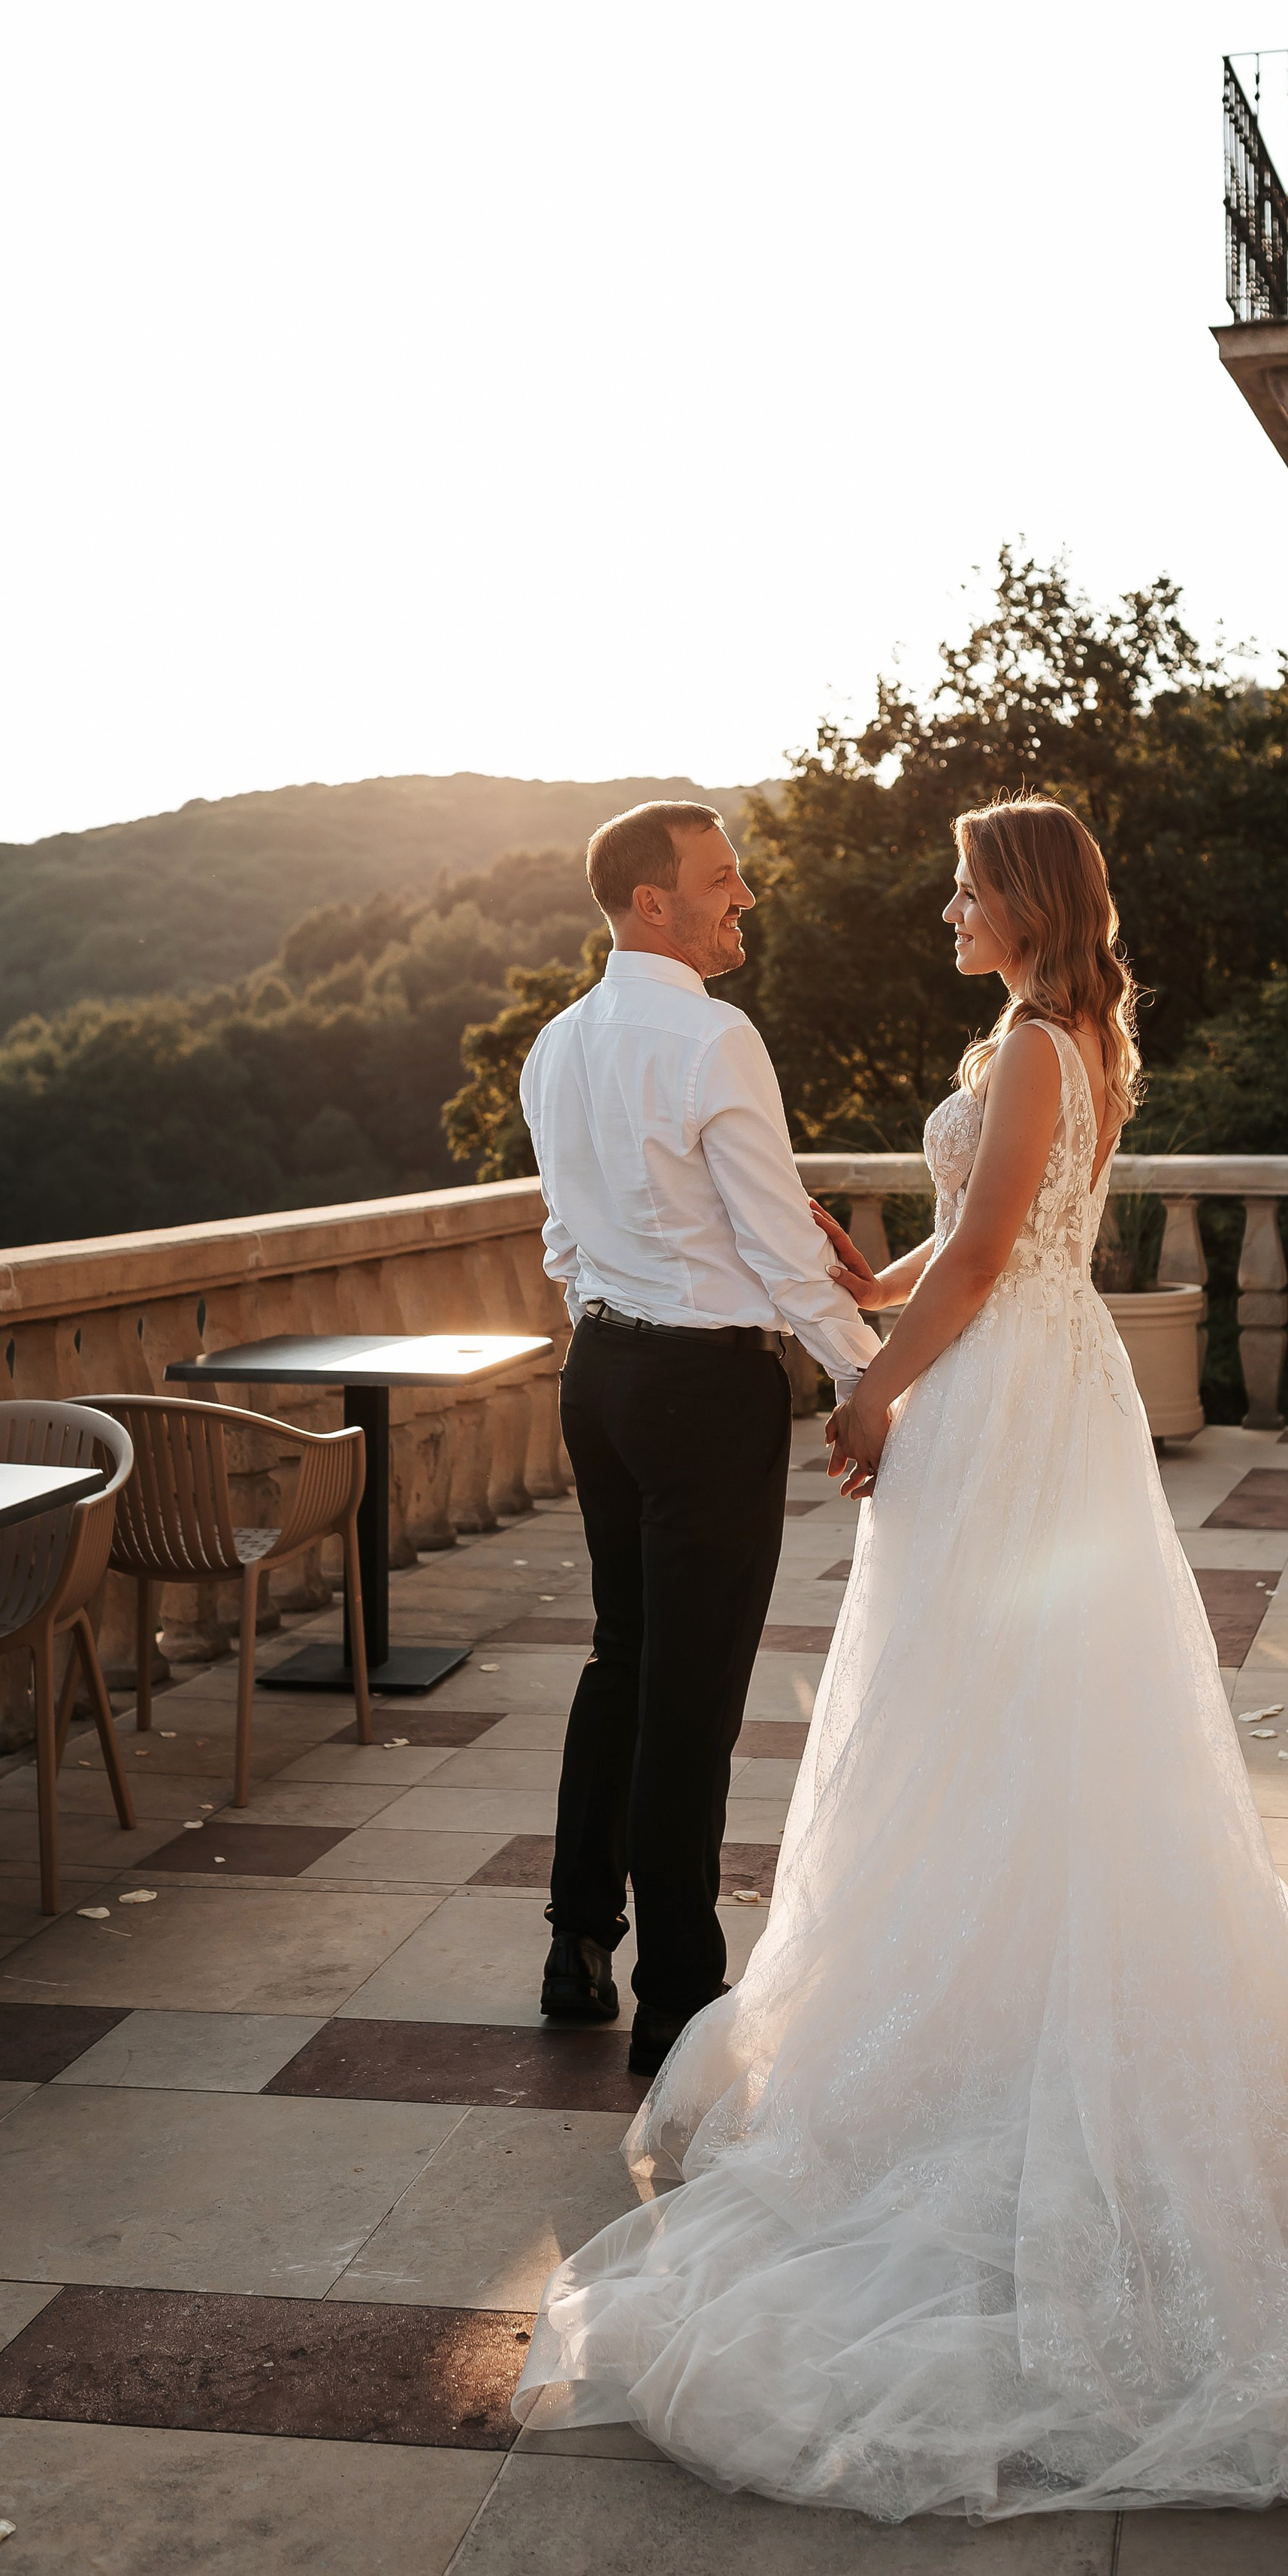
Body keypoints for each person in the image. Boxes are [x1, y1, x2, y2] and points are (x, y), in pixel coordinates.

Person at [512, 796, 1288, 2521]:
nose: (945, 908)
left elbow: (992, 1254)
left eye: (966, 886)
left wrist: (867, 1386)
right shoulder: (1031, 1040)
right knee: (971, 1697)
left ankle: (992, 1979)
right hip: (1012, 1375)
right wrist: (868, 1290)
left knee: (978, 1691)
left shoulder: (1040, 1046)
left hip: (1005, 1396)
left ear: (1026, 902)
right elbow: (970, 1238)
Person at [519, 800, 878, 2079]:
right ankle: (676, 1994)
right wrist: (873, 1379)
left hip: (602, 1377)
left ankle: (576, 1949)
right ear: (649, 901)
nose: (746, 898)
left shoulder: (555, 1044)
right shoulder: (716, 1037)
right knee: (692, 1692)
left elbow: (563, 1241)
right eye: (724, 879)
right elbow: (781, 1246)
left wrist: (609, 1332)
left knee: (623, 1658)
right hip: (703, 1390)